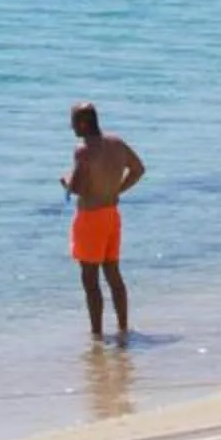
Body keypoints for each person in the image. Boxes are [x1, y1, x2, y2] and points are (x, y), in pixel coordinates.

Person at [62, 100, 145, 339]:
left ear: (83, 123)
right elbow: (138, 169)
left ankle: (97, 334)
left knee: (90, 280)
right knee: (113, 274)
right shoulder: (117, 144)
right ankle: (122, 328)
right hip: (111, 215)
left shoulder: (84, 150)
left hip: (90, 218)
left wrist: (65, 182)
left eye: (73, 122)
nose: (71, 127)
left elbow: (77, 187)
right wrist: (118, 189)